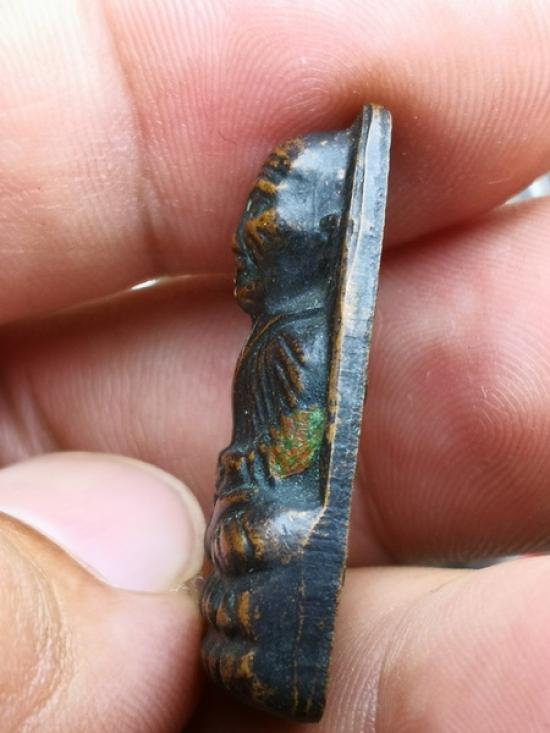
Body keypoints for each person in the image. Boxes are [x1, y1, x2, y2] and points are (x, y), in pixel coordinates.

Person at [0, 1, 549, 730]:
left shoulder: (295, 344)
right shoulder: (277, 337)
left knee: (259, 551)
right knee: (236, 563)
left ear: (318, 232)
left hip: (276, 522)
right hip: (256, 516)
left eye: (268, 210)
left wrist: (253, 488)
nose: (247, 230)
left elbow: (293, 448)